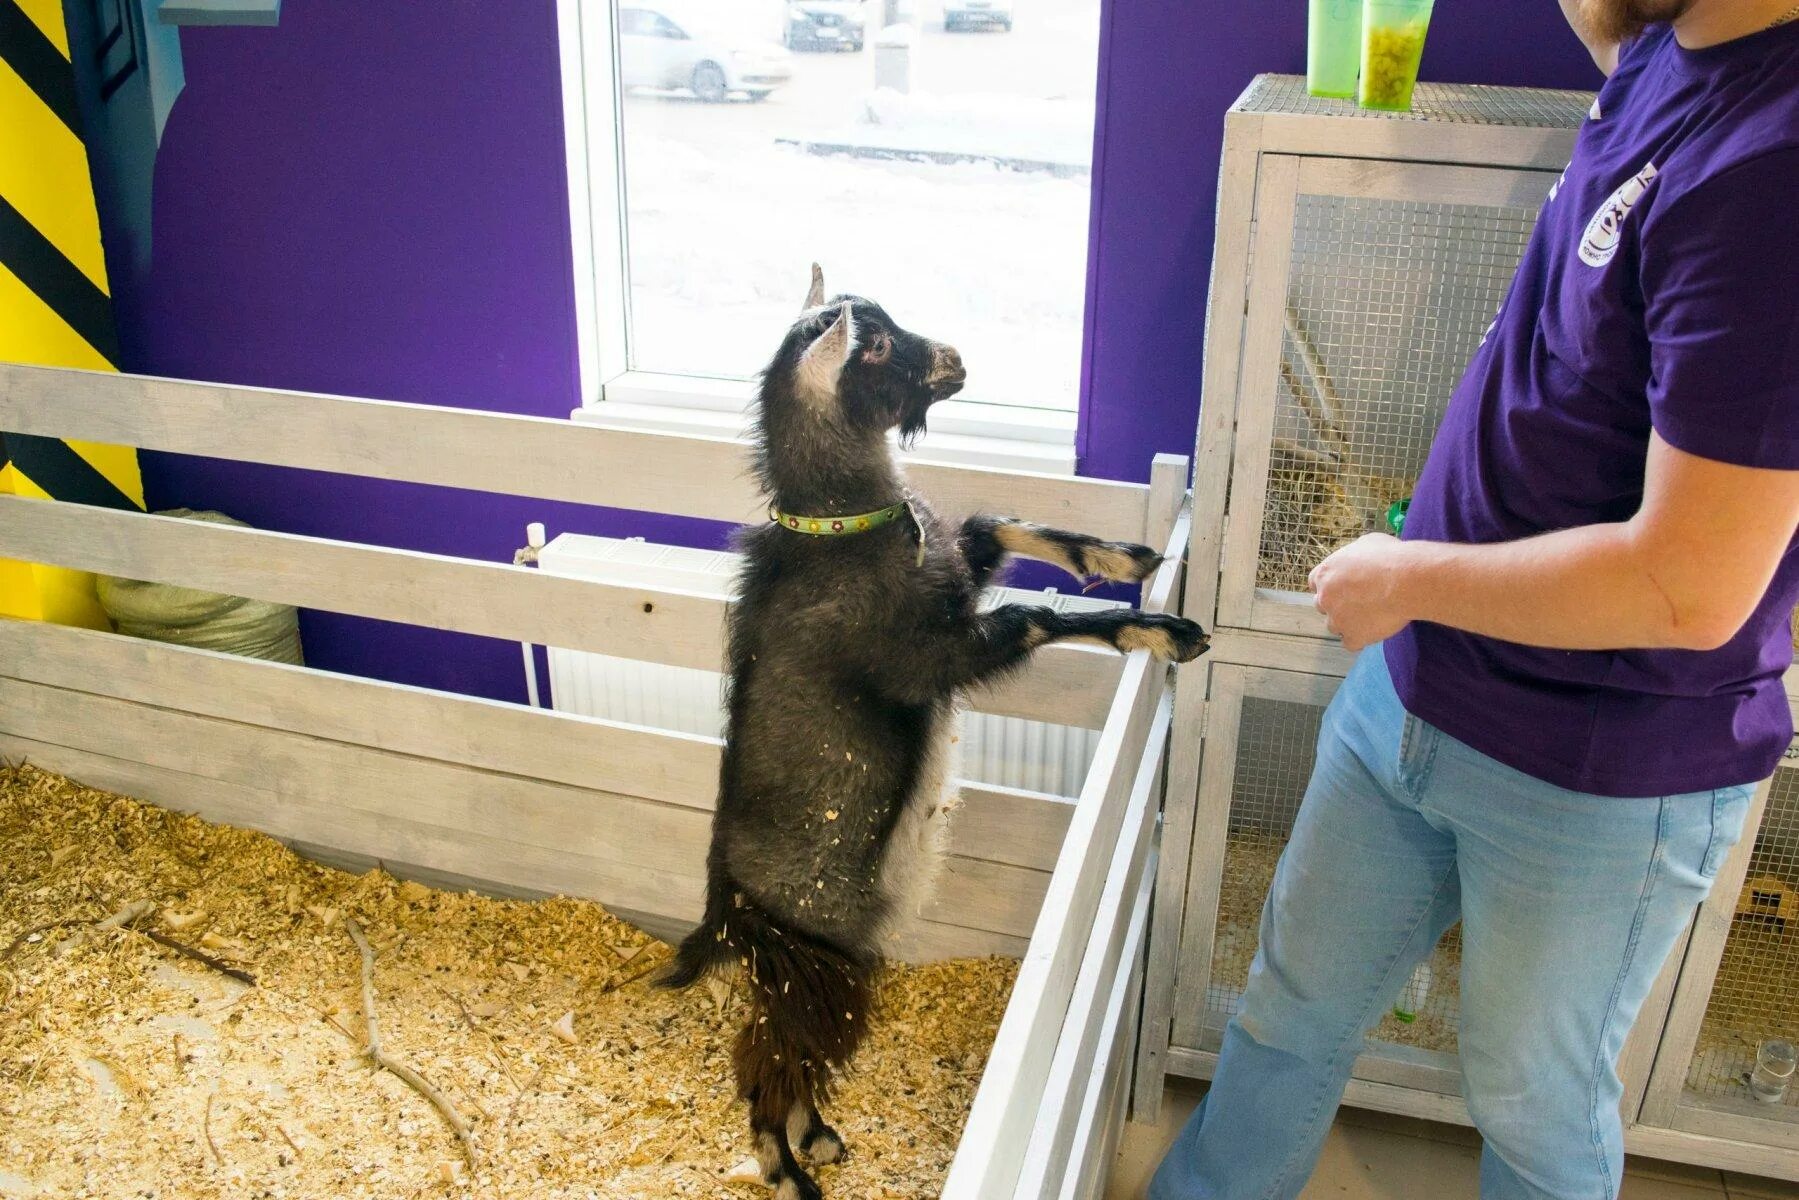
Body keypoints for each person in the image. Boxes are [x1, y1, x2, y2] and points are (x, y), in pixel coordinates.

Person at [1151, 2, 1799, 1197]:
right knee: (1287, 1008)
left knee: (1531, 1104)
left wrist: (1404, 577)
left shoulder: (1772, 175)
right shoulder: (1668, 43)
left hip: (1599, 767)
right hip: (1414, 689)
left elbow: (1689, 586)